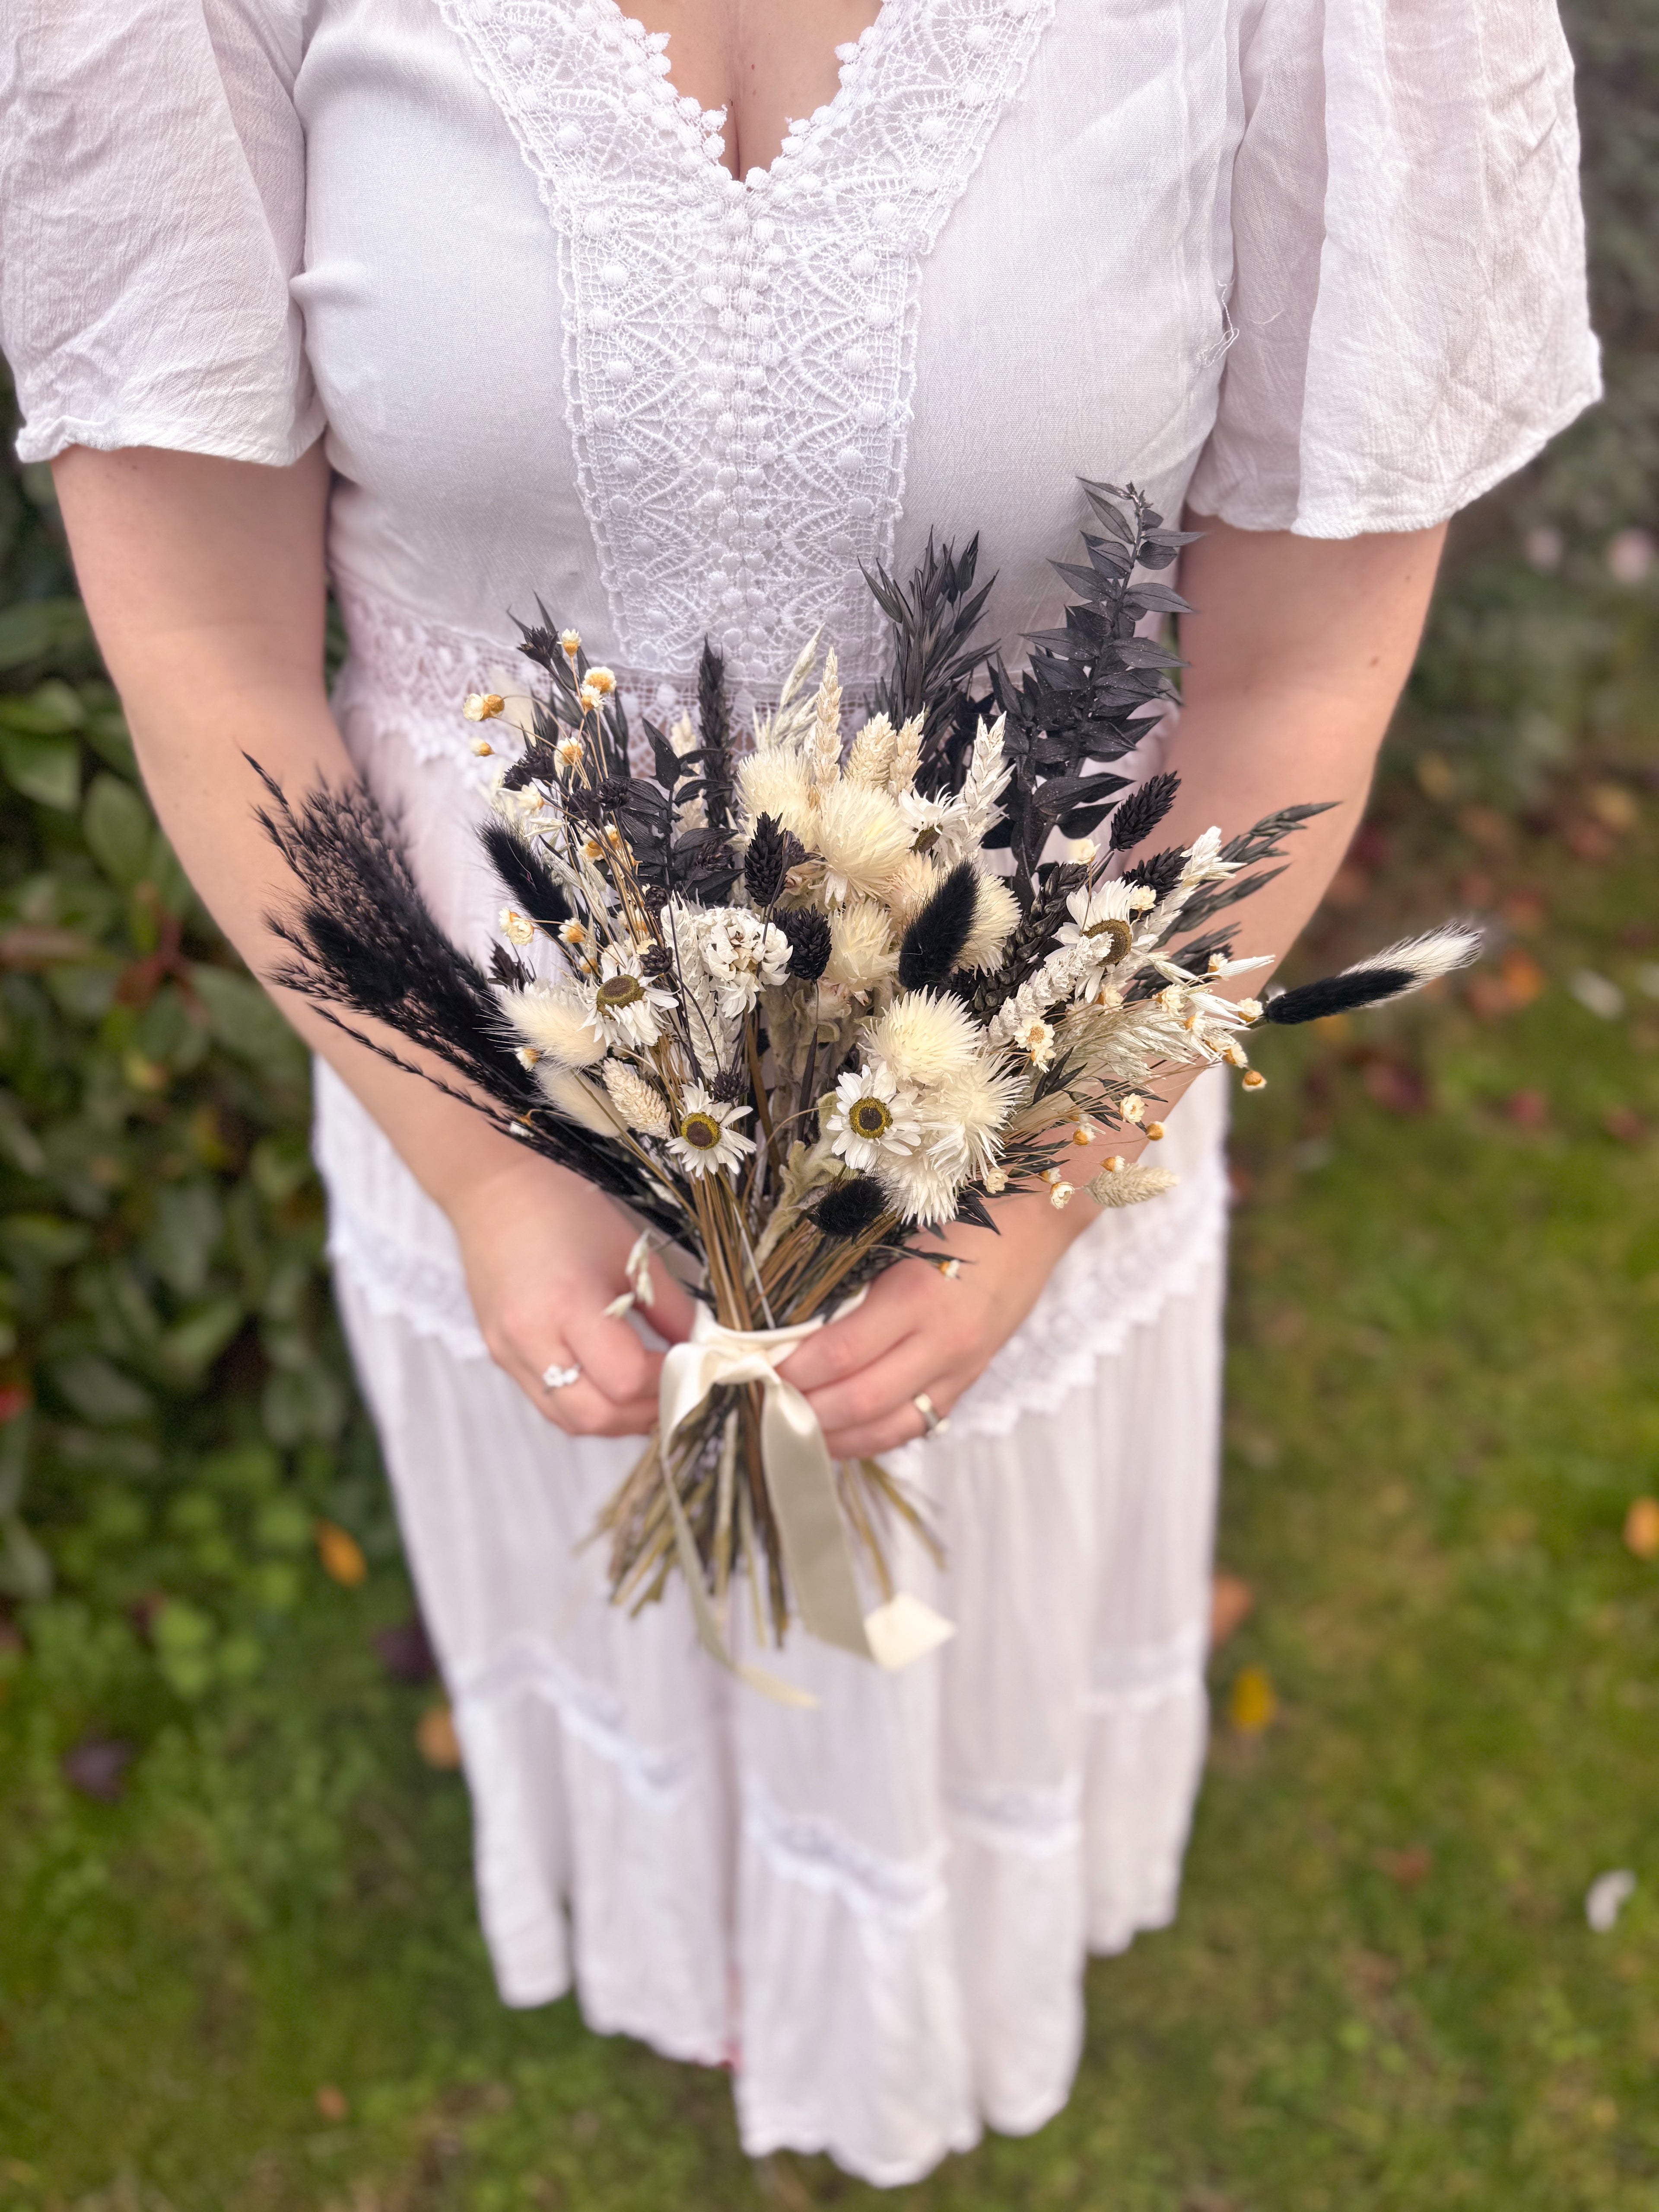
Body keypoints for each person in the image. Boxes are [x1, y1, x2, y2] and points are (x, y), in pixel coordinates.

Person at [0, 0, 1597, 2183]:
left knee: (942, 1679)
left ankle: (909, 1997)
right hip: (465, 1102)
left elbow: (1302, 660)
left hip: (1021, 1133)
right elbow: (208, 640)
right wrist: (477, 1162)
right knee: (633, 1643)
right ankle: (714, 1972)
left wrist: (1034, 1172)